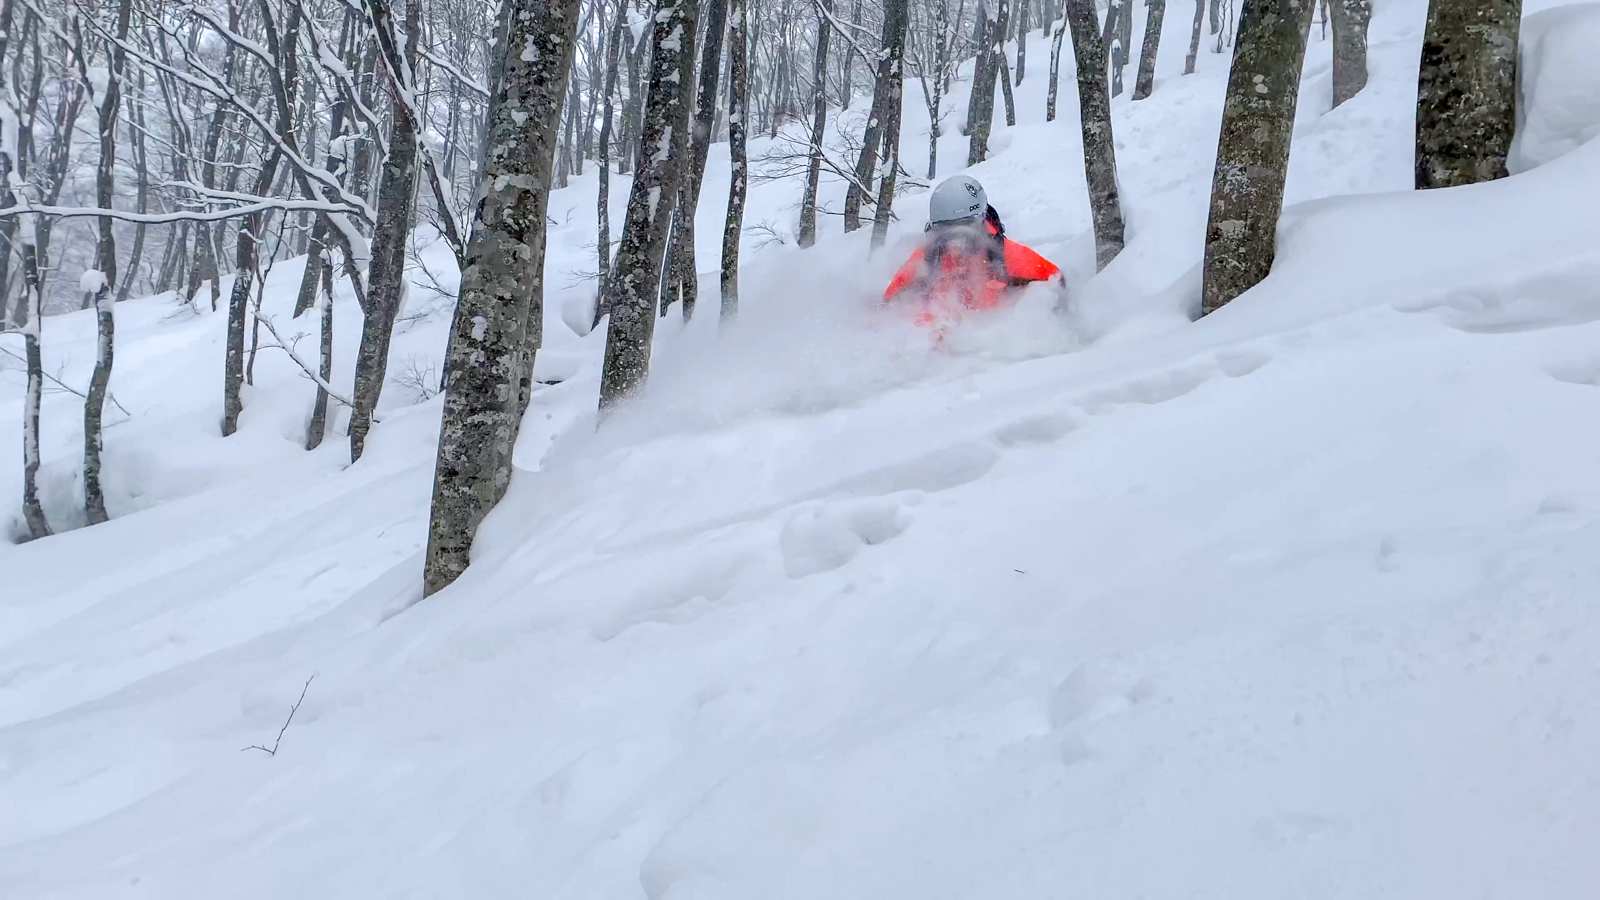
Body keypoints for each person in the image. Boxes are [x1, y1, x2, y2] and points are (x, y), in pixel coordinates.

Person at [882, 175, 1062, 317]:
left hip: (991, 341)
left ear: (981, 221)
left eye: (965, 228)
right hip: (936, 342)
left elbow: (1056, 280)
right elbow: (890, 301)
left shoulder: (1001, 254)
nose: (957, 241)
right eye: (947, 230)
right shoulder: (928, 257)